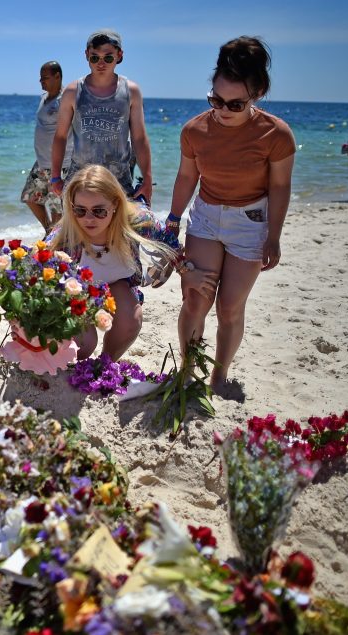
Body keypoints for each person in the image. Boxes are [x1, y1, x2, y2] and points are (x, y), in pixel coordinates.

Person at [169, 36, 295, 394]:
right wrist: (173, 221)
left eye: (235, 104)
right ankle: (188, 372)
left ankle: (219, 378)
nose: (223, 110)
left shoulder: (277, 134)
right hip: (206, 218)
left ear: (256, 94)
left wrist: (274, 236)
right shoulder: (194, 130)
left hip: (250, 224)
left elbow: (280, 188)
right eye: (216, 100)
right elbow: (186, 177)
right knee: (195, 298)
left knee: (229, 308)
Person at [47, 165, 194, 361]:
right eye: (80, 210)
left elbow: (169, 241)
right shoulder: (65, 235)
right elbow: (36, 263)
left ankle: (105, 364)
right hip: (77, 294)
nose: (88, 219)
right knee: (83, 345)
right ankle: (72, 365)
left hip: (117, 288)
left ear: (115, 204)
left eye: (99, 211)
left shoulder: (138, 220)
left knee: (131, 319)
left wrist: (186, 269)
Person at [50, 30, 152, 204]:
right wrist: (55, 177)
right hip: (79, 181)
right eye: (95, 57)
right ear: (86, 56)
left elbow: (139, 138)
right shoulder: (72, 91)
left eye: (108, 57)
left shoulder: (131, 91)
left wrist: (147, 179)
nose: (101, 63)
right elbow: (60, 136)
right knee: (79, 230)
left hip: (118, 181)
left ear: (119, 55)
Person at [20, 60, 73, 233]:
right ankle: (49, 232)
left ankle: (56, 243)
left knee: (58, 208)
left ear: (57, 76)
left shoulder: (65, 99)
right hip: (42, 162)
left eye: (45, 78)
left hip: (60, 164)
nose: (41, 81)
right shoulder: (44, 98)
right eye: (40, 78)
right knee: (29, 197)